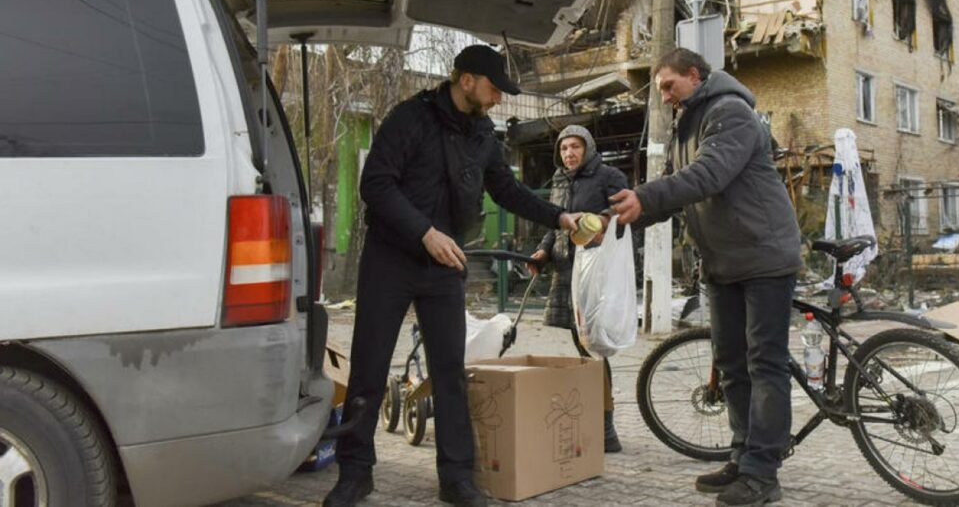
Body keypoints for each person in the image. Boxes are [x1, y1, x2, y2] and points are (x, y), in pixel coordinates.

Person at [325, 45, 582, 507]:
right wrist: (424, 232)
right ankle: (355, 472)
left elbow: (507, 190)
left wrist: (560, 217)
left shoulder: (483, 135)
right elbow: (375, 184)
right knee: (369, 367)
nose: (499, 99)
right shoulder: (410, 118)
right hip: (391, 258)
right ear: (467, 81)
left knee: (449, 372)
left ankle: (456, 479)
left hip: (445, 265)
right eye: (494, 88)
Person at [611, 47, 802, 507]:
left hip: (764, 256)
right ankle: (742, 456)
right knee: (732, 363)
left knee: (764, 362)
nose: (664, 98)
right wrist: (621, 221)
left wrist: (645, 194)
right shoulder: (686, 126)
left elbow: (709, 175)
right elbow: (681, 195)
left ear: (694, 76)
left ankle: (763, 473)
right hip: (725, 262)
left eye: (668, 87)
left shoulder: (730, 112)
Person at [528, 125, 628, 453]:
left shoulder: (608, 176)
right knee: (583, 347)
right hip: (566, 271)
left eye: (575, 147)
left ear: (588, 148)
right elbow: (555, 223)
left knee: (594, 348)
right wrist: (543, 252)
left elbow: (622, 210)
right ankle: (598, 424)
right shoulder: (559, 180)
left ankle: (607, 429)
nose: (569, 153)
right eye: (564, 148)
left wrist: (600, 218)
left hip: (595, 271)